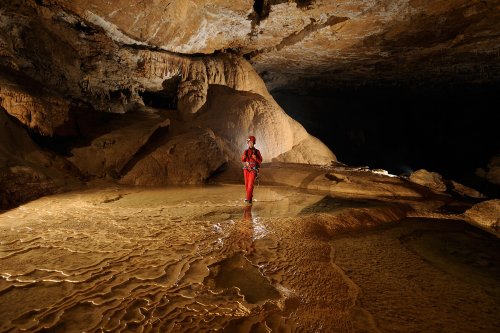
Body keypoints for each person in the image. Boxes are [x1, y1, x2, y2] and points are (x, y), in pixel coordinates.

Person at [241, 135, 262, 205]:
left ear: (254, 143)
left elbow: (260, 160)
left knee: (250, 184)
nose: (250, 143)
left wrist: (255, 158)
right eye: (249, 142)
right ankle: (249, 197)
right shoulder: (246, 151)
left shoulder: (257, 152)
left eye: (251, 142)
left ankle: (248, 199)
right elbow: (242, 160)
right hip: (246, 169)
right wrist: (243, 157)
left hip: (253, 170)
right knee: (247, 185)